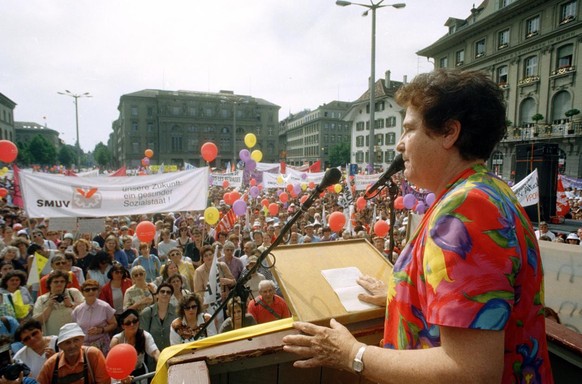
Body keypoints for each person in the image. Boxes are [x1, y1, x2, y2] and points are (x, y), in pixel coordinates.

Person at [282, 69, 552, 383]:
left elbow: (471, 372)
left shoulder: (467, 209)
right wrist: (406, 296)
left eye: (409, 129)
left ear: (450, 132)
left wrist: (351, 354)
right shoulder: (490, 190)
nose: (399, 145)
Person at [37, 322, 110, 384]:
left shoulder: (93, 355)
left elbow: (104, 382)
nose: (72, 346)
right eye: (67, 342)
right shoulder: (51, 364)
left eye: (76, 340)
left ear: (82, 341)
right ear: (60, 346)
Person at [110, 309, 159, 380]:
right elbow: (113, 362)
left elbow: (155, 352)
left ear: (138, 322)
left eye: (134, 321)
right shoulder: (116, 340)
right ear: (123, 326)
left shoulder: (145, 335)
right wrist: (123, 376)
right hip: (121, 374)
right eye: (128, 323)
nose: (132, 325)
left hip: (140, 372)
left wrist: (161, 363)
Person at [71, 280, 117, 355]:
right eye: (87, 290)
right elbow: (74, 329)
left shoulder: (105, 307)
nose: (91, 291)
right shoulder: (78, 310)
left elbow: (114, 324)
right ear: (82, 293)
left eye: (94, 289)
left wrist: (101, 330)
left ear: (98, 291)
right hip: (84, 346)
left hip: (102, 344)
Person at [139, 283, 177, 371]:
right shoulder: (147, 313)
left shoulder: (176, 312)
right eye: (162, 291)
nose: (165, 294)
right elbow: (143, 336)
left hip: (172, 356)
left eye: (168, 292)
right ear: (157, 294)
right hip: (152, 359)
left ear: (171, 296)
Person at [32, 271, 84, 336]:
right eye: (56, 282)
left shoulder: (73, 293)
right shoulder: (42, 299)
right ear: (50, 284)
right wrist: (49, 307)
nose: (59, 284)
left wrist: (71, 305)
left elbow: (85, 312)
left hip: (74, 335)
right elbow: (37, 322)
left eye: (62, 281)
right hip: (53, 338)